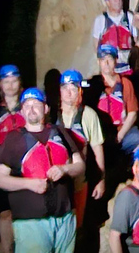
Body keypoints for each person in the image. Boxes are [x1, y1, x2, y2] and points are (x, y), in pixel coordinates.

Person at [0, 87, 85, 253]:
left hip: (64, 218)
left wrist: (64, 169)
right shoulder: (13, 139)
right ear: (21, 111)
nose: (31, 109)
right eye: (27, 105)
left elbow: (80, 165)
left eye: (36, 104)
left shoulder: (60, 133)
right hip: (30, 222)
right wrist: (30, 184)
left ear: (46, 108)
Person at [90, 44, 139, 158]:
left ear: (116, 61)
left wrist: (120, 136)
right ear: (98, 62)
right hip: (100, 136)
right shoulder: (93, 85)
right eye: (103, 60)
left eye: (110, 59)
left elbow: (132, 113)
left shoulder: (125, 83)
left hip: (124, 131)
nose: (107, 63)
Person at [56, 69, 106, 227]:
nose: (69, 93)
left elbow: (98, 150)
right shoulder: (51, 115)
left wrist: (101, 179)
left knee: (77, 226)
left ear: (80, 91)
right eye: (65, 88)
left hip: (79, 182)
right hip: (56, 183)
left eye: (73, 88)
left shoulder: (88, 115)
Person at [0, 64, 27, 253]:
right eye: (6, 82)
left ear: (20, 83)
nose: (10, 86)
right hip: (2, 165)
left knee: (23, 213)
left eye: (14, 81)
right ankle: (6, 249)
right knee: (4, 213)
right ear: (1, 84)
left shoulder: (29, 105)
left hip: (25, 165)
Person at [93, 0, 137, 75]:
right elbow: (96, 45)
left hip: (127, 64)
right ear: (107, 2)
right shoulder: (100, 20)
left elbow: (135, 40)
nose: (118, 1)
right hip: (110, 67)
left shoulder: (130, 17)